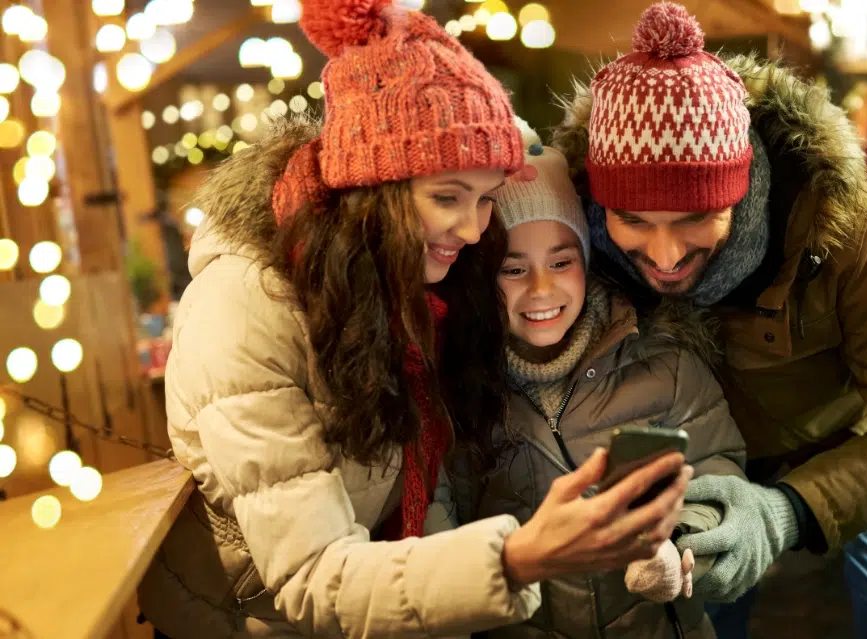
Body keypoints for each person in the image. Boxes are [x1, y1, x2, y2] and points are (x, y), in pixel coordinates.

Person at [136, 2, 691, 637]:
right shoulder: (247, 308)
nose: (473, 227)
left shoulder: (396, 279)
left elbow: (417, 484)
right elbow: (311, 578)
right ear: (371, 186)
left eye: (485, 199)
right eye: (446, 197)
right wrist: (518, 559)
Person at [551, 3, 867, 638]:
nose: (666, 256)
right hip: (702, 462)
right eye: (634, 221)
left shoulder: (841, 220)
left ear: (742, 187)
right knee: (700, 620)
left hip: (857, 440)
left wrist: (785, 512)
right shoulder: (573, 236)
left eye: (696, 218)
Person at [467, 119, 744, 639]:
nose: (542, 288)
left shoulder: (663, 363)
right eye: (512, 268)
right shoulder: (465, 390)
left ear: (586, 262)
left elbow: (719, 474)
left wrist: (682, 544)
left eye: (562, 260)